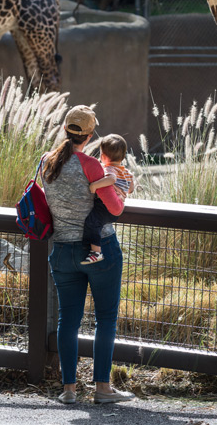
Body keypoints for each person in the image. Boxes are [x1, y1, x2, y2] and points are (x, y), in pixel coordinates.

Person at [41, 105, 135, 405]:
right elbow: (116, 209)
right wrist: (124, 190)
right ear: (91, 135)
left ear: (65, 129)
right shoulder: (91, 166)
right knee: (105, 319)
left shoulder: (46, 162)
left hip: (62, 250)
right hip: (100, 252)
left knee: (67, 320)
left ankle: (68, 390)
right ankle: (103, 389)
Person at [82, 134, 135, 265]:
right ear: (123, 157)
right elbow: (131, 189)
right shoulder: (126, 172)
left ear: (103, 156)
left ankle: (96, 252)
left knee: (92, 222)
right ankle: (95, 250)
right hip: (118, 207)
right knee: (96, 223)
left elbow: (111, 179)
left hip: (106, 206)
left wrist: (95, 185)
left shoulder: (109, 169)